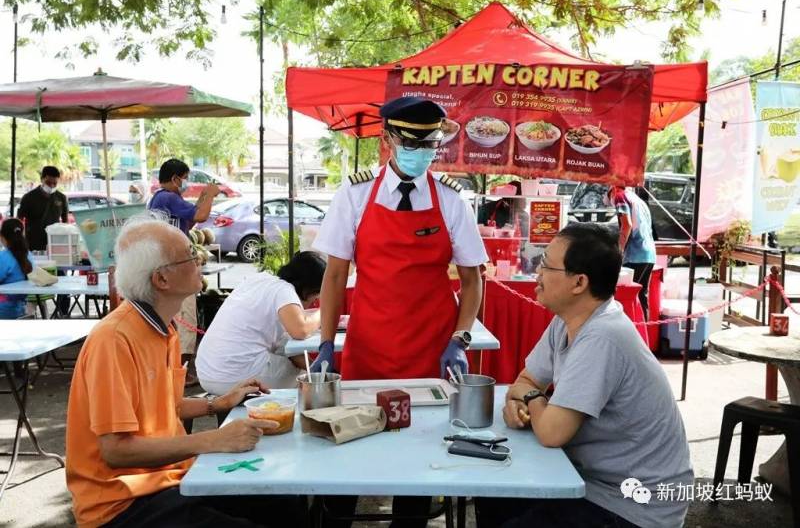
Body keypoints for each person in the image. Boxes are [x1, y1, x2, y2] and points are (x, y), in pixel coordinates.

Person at [311, 96, 488, 527]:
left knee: (420, 463)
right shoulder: (353, 196)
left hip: (430, 352)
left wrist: (459, 338)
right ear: (388, 139)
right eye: (412, 143)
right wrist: (325, 342)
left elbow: (472, 280)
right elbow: (334, 277)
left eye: (429, 144)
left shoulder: (451, 202)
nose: (420, 152)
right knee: (349, 457)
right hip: (367, 350)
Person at [65, 216, 306, 528]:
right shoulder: (115, 339)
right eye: (190, 255)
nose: (200, 259)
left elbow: (165, 405)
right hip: (122, 505)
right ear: (161, 280)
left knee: (283, 498)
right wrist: (216, 439)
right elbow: (116, 450)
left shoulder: (163, 326)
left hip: (170, 479)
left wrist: (216, 404)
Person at [476, 223, 692, 528]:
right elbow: (525, 381)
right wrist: (526, 402)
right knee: (491, 494)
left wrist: (532, 399)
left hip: (632, 506)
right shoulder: (567, 321)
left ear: (578, 282)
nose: (536, 273)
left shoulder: (603, 336)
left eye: (545, 264)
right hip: (589, 481)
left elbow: (551, 432)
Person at [197, 251, 326, 393]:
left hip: (207, 373)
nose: (314, 302)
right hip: (235, 376)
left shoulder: (258, 280)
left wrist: (319, 369)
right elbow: (301, 330)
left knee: (304, 371)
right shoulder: (284, 291)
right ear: (309, 289)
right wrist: (325, 311)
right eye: (316, 297)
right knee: (306, 382)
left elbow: (290, 351)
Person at [148, 159, 220, 384]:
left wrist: (203, 199)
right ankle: (183, 370)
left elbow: (191, 216)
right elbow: (200, 216)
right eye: (185, 178)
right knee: (185, 316)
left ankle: (176, 367)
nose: (186, 182)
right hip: (175, 267)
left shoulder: (162, 199)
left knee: (175, 318)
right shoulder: (168, 197)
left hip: (167, 265)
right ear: (175, 178)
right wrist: (210, 195)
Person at [17, 165, 70, 316]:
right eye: (49, 183)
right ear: (42, 180)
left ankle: (63, 313)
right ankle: (31, 313)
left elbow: (65, 224)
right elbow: (19, 220)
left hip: (57, 248)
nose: (51, 186)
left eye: (55, 183)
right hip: (34, 247)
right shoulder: (29, 198)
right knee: (34, 281)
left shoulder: (61, 198)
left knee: (62, 281)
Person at [609, 185, 656, 320]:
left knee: (626, 299)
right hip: (649, 254)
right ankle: (644, 336)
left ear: (612, 189)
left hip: (634, 255)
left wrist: (618, 251)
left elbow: (627, 225)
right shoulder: (638, 200)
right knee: (641, 297)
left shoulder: (620, 196)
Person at [0, 218, 33, 319]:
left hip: (4, 309)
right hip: (21, 308)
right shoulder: (28, 256)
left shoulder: (3, 257)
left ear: (2, 237)